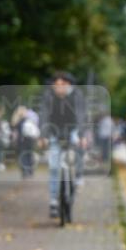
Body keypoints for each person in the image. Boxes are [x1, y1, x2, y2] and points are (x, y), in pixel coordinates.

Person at [39, 72, 88, 218]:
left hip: (73, 129)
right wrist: (43, 136)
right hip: (54, 131)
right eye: (56, 85)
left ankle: (78, 176)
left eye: (62, 84)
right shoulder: (48, 96)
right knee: (54, 167)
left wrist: (81, 135)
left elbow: (81, 116)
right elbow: (44, 116)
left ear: (68, 85)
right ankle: (54, 200)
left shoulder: (77, 96)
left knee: (76, 152)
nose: (58, 88)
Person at [12, 105, 40, 178]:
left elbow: (14, 128)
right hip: (29, 140)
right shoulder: (29, 119)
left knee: (24, 155)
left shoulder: (18, 120)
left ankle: (26, 170)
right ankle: (29, 170)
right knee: (28, 155)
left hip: (23, 140)